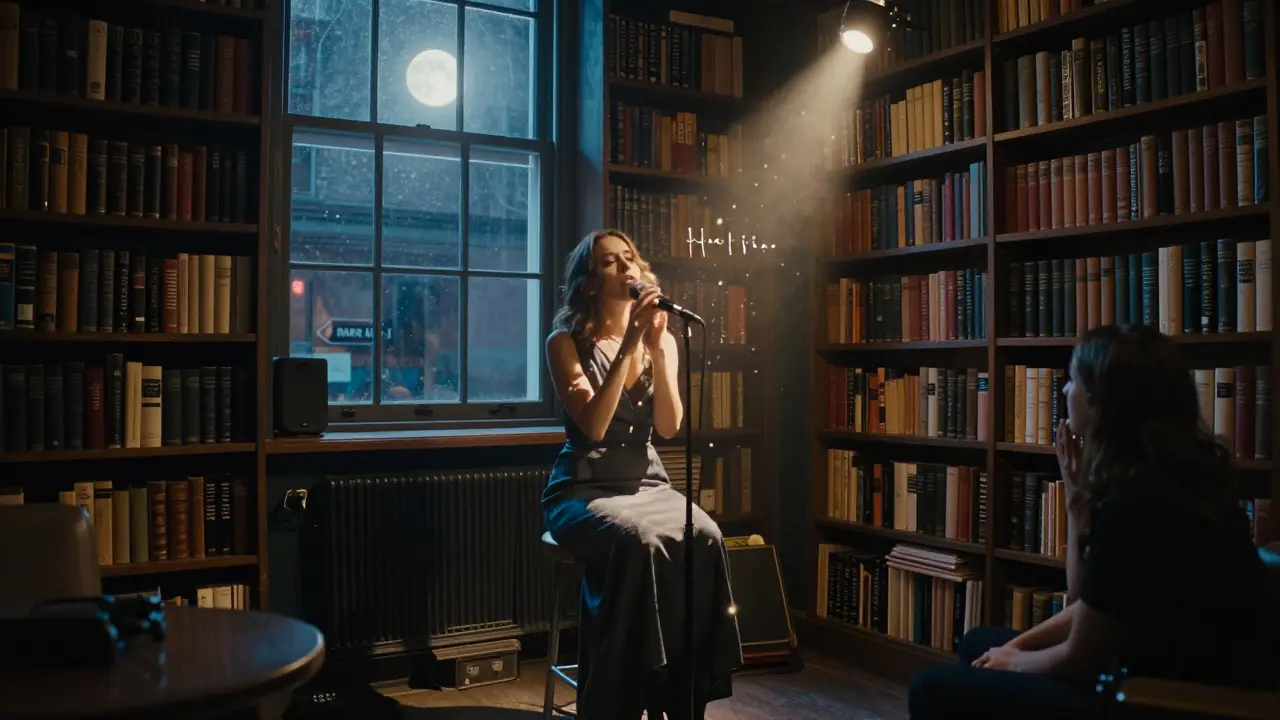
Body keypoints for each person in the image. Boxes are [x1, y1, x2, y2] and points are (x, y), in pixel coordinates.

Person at [908, 324, 1277, 719]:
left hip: (1157, 697)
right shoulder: (1184, 479)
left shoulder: (1135, 504)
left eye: (1072, 381)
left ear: (1103, 403)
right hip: (1165, 670)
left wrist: (1013, 661)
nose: (1065, 392)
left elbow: (1081, 656)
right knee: (979, 643)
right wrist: (1075, 499)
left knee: (928, 689)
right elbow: (1090, 601)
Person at [543, 230, 743, 720]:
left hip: (647, 482)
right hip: (584, 488)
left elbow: (671, 427)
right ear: (589, 283)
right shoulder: (564, 342)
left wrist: (655, 348)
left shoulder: (663, 340)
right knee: (640, 541)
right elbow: (592, 426)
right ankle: (624, 690)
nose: (625, 268)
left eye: (629, 258)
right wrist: (630, 339)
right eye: (610, 263)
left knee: (709, 534)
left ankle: (682, 688)